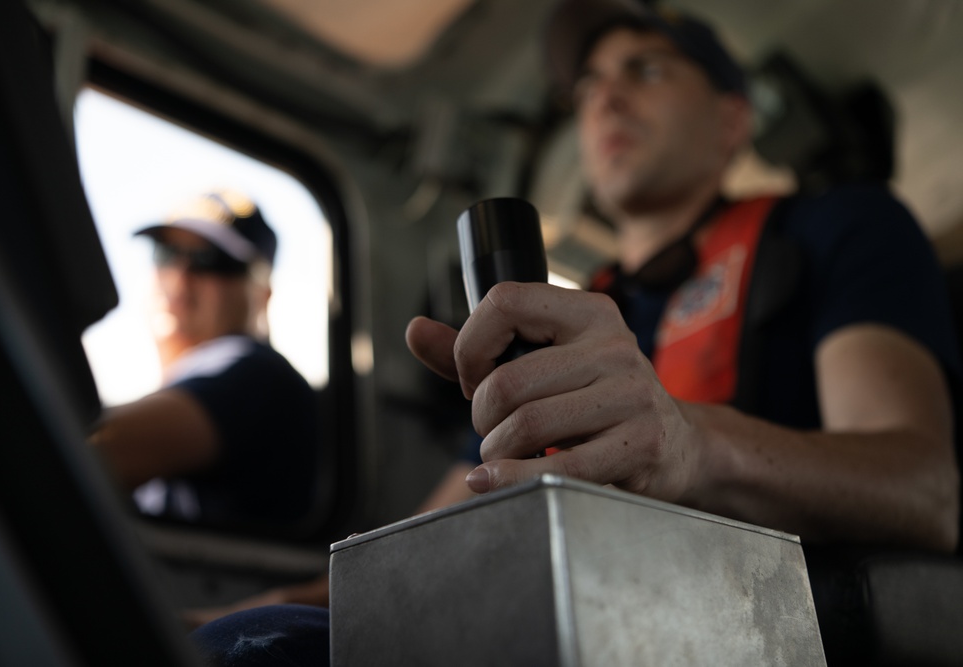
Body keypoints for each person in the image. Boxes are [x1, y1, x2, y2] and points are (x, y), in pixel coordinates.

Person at [191, 0, 961, 662]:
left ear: (732, 120)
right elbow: (452, 511)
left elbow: (924, 489)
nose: (607, 99)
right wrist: (279, 598)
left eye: (647, 70)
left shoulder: (842, 227)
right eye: (589, 85)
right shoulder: (557, 319)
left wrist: (692, 443)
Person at [91, 189, 320, 529]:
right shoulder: (195, 379)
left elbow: (95, 454)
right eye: (166, 254)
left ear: (261, 292)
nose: (179, 278)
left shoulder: (257, 375)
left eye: (209, 260)